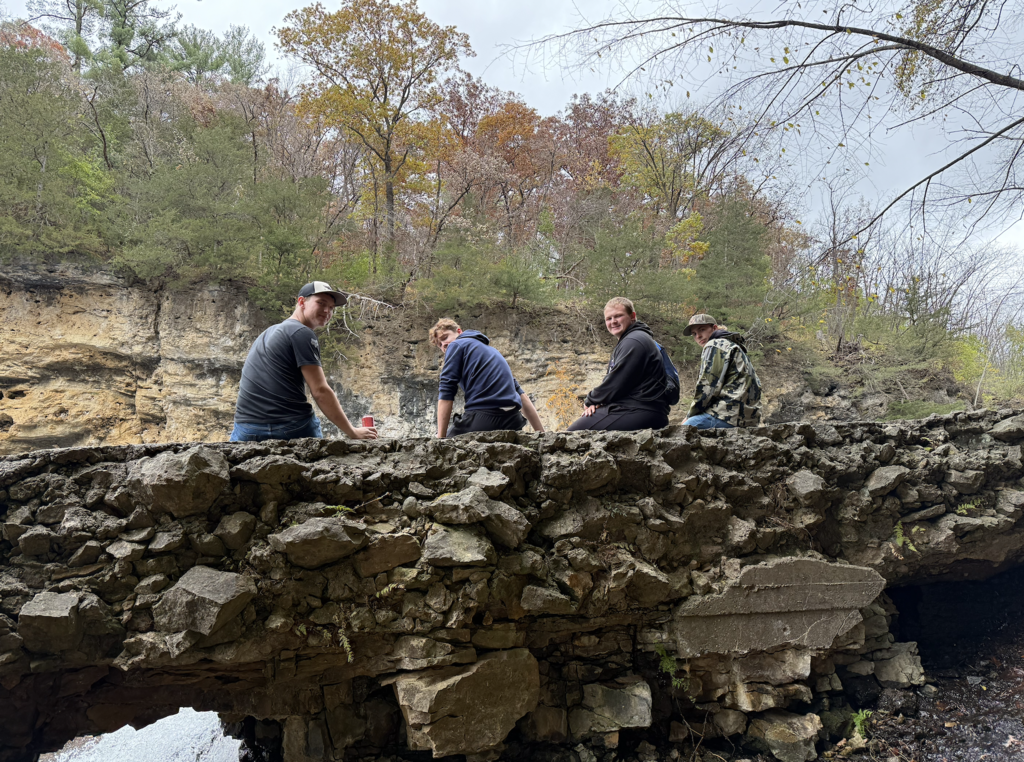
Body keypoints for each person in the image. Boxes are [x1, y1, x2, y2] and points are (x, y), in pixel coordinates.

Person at [230, 282, 378, 442]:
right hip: (289, 427)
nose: (327, 311)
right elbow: (320, 391)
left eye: (331, 308)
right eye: (321, 303)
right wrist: (353, 432)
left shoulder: (267, 333)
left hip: (245, 428)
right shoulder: (301, 332)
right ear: (301, 302)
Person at [567, 297, 671, 431]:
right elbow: (619, 384)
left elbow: (617, 381)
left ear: (632, 316)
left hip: (640, 410)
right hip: (639, 409)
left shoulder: (635, 341)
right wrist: (599, 401)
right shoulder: (633, 339)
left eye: (618, 316)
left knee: (572, 435)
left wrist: (591, 400)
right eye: (608, 319)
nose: (613, 321)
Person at [429, 318, 545, 438]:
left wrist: (441, 438)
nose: (444, 345)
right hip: (513, 419)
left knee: (442, 448)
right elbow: (521, 395)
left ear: (459, 331)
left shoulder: (456, 345)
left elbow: (446, 389)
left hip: (484, 418)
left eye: (445, 338)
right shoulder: (492, 351)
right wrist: (541, 434)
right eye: (440, 345)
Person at [682, 313, 762, 429]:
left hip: (729, 415)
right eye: (694, 334)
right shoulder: (733, 346)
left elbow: (708, 387)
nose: (698, 336)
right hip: (749, 418)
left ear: (714, 328)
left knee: (683, 430)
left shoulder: (715, 344)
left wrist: (689, 415)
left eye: (702, 330)